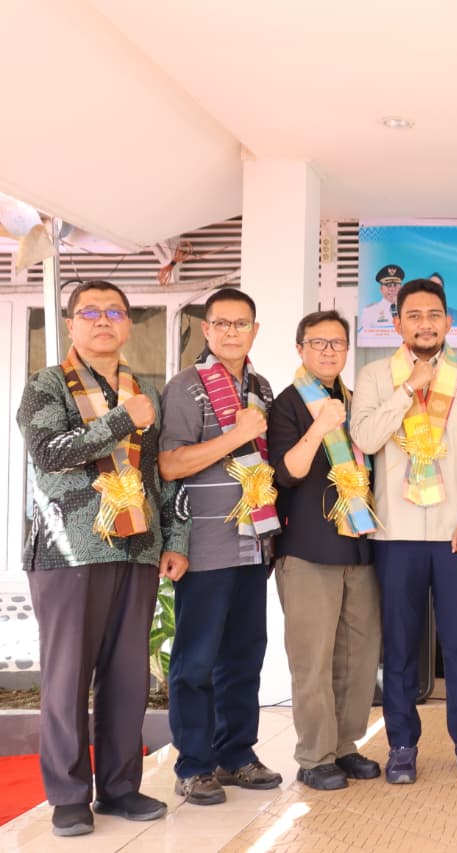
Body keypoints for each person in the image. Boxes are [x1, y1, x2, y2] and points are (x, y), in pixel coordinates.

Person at [17, 280, 189, 837]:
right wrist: (121, 419)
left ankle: (119, 788)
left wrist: (175, 539)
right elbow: (50, 454)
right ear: (71, 324)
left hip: (137, 549)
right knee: (67, 677)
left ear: (128, 325)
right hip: (69, 552)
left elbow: (159, 475)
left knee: (126, 677)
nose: (102, 321)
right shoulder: (46, 385)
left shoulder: (144, 390)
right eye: (90, 312)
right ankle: (68, 796)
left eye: (114, 312)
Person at [351, 278, 457, 783]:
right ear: (397, 324)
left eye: (434, 315)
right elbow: (366, 437)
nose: (425, 324)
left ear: (448, 321)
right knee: (399, 647)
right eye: (413, 315)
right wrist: (408, 389)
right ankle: (401, 746)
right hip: (396, 533)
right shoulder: (375, 376)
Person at [159, 287, 283, 805]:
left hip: (253, 543)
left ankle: (236, 755)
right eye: (222, 324)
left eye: (242, 323)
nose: (233, 332)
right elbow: (171, 465)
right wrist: (236, 435)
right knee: (196, 661)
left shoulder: (261, 386)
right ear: (206, 330)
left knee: (244, 657)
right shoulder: (185, 387)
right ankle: (193, 764)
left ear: (255, 330)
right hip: (205, 546)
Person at [267, 310, 382, 791]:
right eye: (318, 342)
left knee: (358, 656)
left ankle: (346, 746)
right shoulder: (288, 404)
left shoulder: (355, 402)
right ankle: (315, 756)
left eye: (337, 343)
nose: (329, 351)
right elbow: (287, 472)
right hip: (308, 549)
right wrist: (319, 427)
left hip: (359, 546)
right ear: (300, 349)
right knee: (312, 659)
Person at [359, 264, 405, 332]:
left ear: (401, 288)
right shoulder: (370, 311)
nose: (392, 289)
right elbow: (364, 335)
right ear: (381, 289)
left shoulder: (408, 309)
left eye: (395, 285)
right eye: (388, 285)